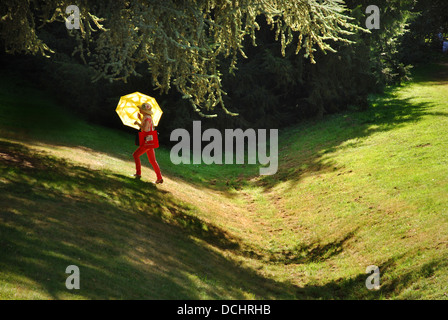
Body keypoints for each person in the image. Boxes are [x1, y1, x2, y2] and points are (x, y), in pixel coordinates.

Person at [132, 103, 163, 184]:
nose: (139, 110)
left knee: (135, 155)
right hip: (150, 141)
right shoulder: (147, 117)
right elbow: (147, 127)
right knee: (153, 160)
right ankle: (159, 178)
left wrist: (137, 123)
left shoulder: (147, 118)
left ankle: (138, 173)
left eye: (140, 109)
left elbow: (145, 129)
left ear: (144, 111)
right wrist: (140, 119)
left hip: (147, 141)